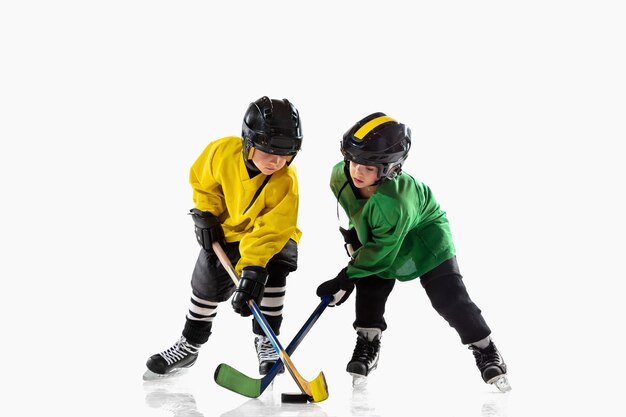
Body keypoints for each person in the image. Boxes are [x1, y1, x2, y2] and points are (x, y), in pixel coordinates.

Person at [316, 112, 510, 391]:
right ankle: (368, 343)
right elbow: (353, 212)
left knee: (449, 298)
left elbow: (381, 250)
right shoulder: (340, 175)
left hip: (424, 238)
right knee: (371, 286)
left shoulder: (396, 202)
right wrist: (351, 238)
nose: (358, 171)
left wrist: (346, 277)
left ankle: (485, 348)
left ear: (389, 168)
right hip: (383, 232)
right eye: (355, 162)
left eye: (369, 168)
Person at [146, 96, 303, 376]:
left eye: (285, 154)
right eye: (268, 151)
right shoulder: (221, 152)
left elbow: (274, 228)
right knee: (205, 284)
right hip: (228, 230)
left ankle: (267, 340)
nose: (276, 161)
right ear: (248, 142)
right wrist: (205, 214)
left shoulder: (285, 180)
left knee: (273, 270)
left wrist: (253, 269)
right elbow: (206, 185)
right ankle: (189, 344)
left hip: (268, 238)